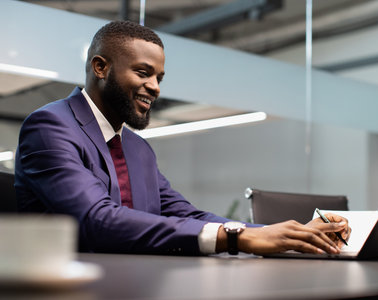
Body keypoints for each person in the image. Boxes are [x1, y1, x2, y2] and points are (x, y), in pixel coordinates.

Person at [14, 20, 350, 256]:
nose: (156, 87)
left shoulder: (137, 148)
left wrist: (279, 233)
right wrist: (235, 239)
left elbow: (184, 214)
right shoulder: (49, 127)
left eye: (159, 77)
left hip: (136, 281)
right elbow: (98, 220)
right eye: (143, 72)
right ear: (101, 68)